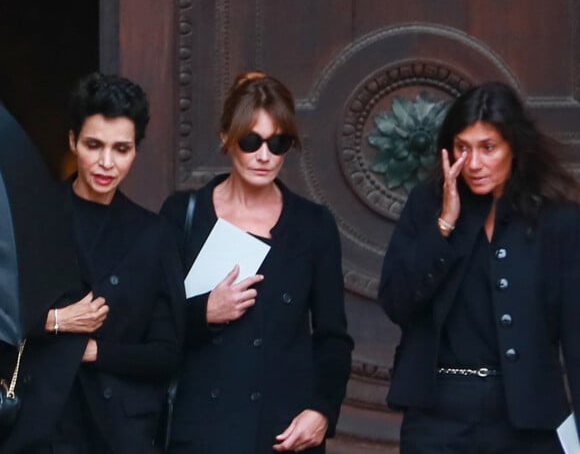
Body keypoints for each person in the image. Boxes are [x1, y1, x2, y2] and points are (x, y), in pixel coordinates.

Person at [378, 81, 580, 453]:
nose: (473, 163)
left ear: (514, 148)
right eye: (462, 148)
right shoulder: (428, 206)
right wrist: (444, 225)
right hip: (438, 415)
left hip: (527, 417)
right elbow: (397, 302)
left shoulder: (559, 222)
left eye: (488, 148)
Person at [160, 71, 353, 453]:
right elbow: (150, 322)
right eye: (251, 141)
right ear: (225, 138)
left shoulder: (312, 225)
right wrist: (204, 312)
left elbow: (333, 337)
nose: (264, 156)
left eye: (278, 143)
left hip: (281, 433)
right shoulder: (183, 214)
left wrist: (322, 409)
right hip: (201, 432)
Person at [0, 73, 184, 453]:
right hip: (44, 426)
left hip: (121, 433)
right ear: (72, 141)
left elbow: (167, 352)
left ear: (136, 151)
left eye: (121, 149)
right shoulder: (30, 220)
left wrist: (93, 351)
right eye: (94, 145)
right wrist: (57, 322)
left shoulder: (154, 234)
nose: (106, 162)